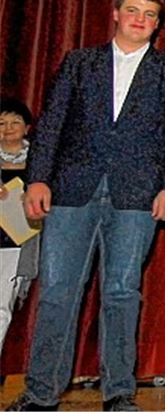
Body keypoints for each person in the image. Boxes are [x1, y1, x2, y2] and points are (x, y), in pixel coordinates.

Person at [4, 0, 165, 410]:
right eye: (132, 11)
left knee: (123, 292)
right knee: (56, 291)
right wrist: (38, 179)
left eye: (149, 14)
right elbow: (51, 123)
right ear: (115, 15)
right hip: (71, 191)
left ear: (158, 24)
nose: (140, 19)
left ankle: (119, 393)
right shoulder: (79, 63)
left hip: (137, 197)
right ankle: (40, 393)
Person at [0, 98, 40, 362]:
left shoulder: (41, 162)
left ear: (27, 128)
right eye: (1, 123)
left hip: (16, 243)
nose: (8, 129)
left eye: (15, 122)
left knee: (1, 307)